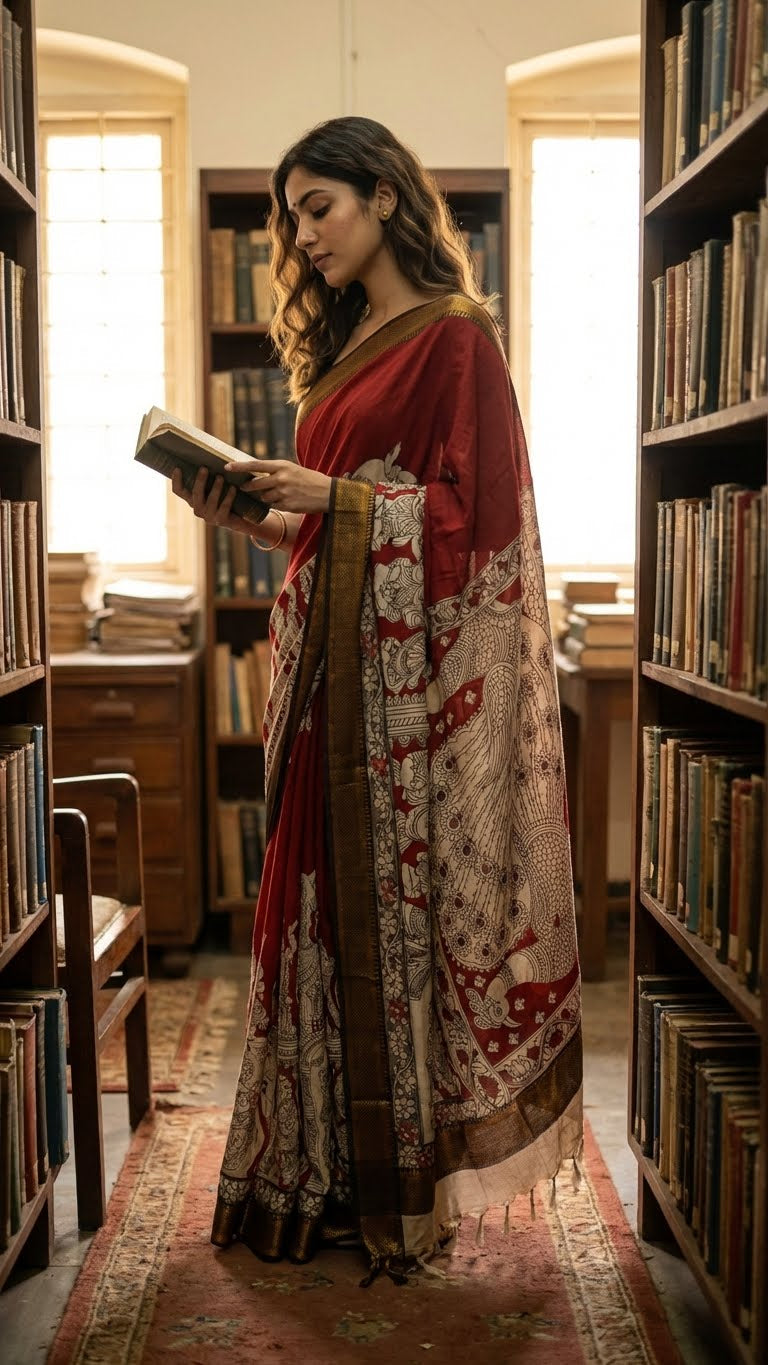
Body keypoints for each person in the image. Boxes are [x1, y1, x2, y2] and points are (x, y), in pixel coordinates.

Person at [172, 115, 583, 1279]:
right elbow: (323, 532)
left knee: (380, 929)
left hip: (399, 715)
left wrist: (336, 498)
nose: (302, 239)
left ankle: (394, 1184)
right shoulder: (349, 344)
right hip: (320, 684)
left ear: (387, 198)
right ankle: (308, 1174)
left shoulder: (457, 344)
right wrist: (247, 511)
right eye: (290, 217)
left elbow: (483, 528)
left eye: (320, 208)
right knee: (308, 918)